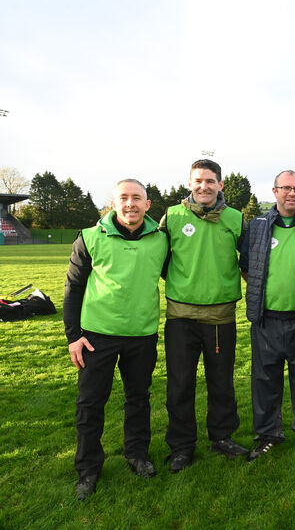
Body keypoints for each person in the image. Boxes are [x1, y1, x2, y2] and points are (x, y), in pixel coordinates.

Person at [63, 179, 168, 500]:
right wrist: (74, 337)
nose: (130, 204)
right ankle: (88, 469)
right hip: (97, 337)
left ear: (147, 205)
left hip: (142, 334)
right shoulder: (91, 237)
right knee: (90, 404)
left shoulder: (162, 239)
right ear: (113, 203)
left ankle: (137, 455)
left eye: (137, 198)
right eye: (124, 198)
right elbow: (73, 288)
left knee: (138, 398)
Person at [160, 159, 249, 473]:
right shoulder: (172, 216)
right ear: (189, 183)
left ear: (220, 185)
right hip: (180, 317)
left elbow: (249, 262)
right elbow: (159, 259)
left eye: (210, 181)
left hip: (221, 317)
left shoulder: (236, 219)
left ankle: (222, 436)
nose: (204, 186)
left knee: (221, 383)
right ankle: (182, 445)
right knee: (180, 384)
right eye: (198, 181)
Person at [240, 170, 295, 461]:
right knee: (265, 380)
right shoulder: (257, 226)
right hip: (267, 319)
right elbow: (246, 267)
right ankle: (267, 434)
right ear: (274, 191)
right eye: (286, 188)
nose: (292, 193)